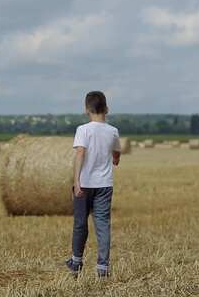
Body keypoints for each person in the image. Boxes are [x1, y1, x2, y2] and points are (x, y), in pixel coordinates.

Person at [65, 91, 121, 278]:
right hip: (105, 185)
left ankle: (76, 262)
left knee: (80, 224)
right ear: (106, 109)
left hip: (86, 184)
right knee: (103, 225)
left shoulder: (83, 130)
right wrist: (115, 158)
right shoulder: (113, 131)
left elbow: (80, 153)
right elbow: (116, 154)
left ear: (86, 109)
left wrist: (76, 181)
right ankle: (103, 268)